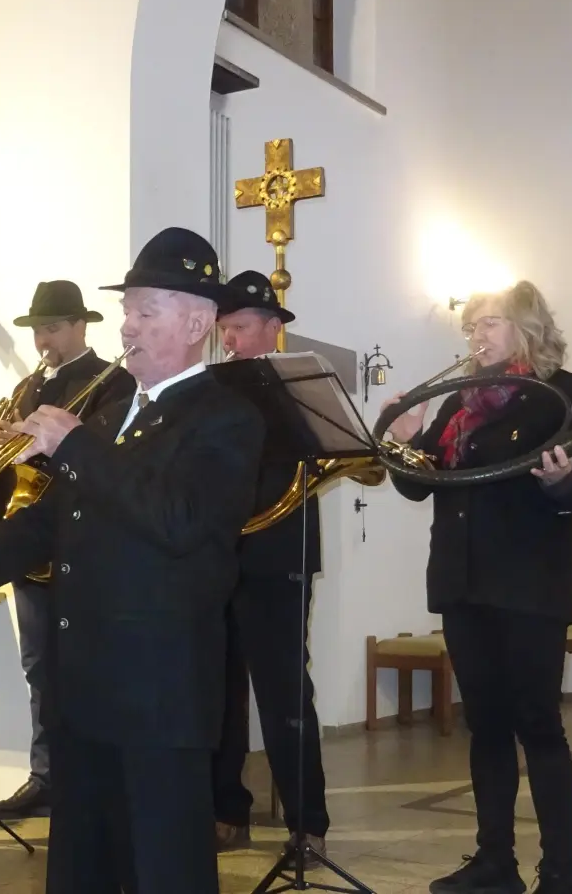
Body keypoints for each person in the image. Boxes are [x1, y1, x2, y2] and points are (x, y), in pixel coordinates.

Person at [0, 227, 265, 894]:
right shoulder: (114, 410)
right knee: (82, 867)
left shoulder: (226, 417)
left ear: (196, 323)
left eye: (145, 312)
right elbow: (50, 522)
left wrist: (77, 449)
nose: (127, 326)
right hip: (88, 686)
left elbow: (179, 521)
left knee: (163, 871)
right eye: (128, 311)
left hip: (159, 696)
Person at [385, 282, 572, 894]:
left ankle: (560, 870)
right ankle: (495, 862)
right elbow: (415, 486)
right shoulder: (458, 404)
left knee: (538, 723)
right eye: (472, 326)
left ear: (526, 327)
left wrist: (559, 485)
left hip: (528, 585)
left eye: (491, 324)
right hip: (462, 581)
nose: (477, 336)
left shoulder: (569, 392)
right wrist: (406, 433)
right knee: (486, 723)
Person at [0, 279, 136, 820]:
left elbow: (103, 461)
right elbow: (9, 471)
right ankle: (46, 775)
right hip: (29, 540)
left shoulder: (111, 384)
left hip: (80, 542)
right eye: (39, 329)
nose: (44, 340)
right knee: (38, 664)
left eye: (53, 328)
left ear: (79, 326)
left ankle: (85, 779)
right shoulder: (25, 389)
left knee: (80, 666)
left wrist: (38, 447)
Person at [210, 270, 331, 855]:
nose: (229, 340)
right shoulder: (211, 386)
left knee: (283, 692)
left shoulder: (300, 384)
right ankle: (227, 811)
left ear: (272, 327)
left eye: (239, 328)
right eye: (224, 329)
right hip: (219, 554)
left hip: (281, 551)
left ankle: (308, 823)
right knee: (219, 689)